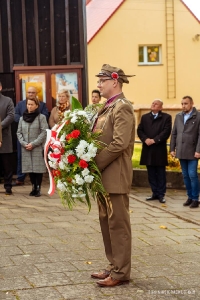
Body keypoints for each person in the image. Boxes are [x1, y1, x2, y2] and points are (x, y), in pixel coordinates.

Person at [91, 64, 135, 287]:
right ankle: (113, 265)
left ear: (114, 82)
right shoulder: (107, 107)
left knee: (118, 224)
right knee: (106, 222)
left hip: (115, 176)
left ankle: (121, 273)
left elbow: (119, 143)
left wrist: (95, 163)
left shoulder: (122, 107)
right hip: (103, 176)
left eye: (102, 80)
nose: (98, 84)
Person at [137, 99, 172, 203]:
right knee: (151, 172)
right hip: (148, 149)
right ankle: (154, 193)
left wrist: (155, 140)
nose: (153, 104)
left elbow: (166, 131)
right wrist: (145, 139)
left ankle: (161, 194)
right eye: (152, 103)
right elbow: (140, 130)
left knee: (160, 172)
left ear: (160, 107)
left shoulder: (166, 117)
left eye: (156, 104)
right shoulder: (145, 117)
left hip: (159, 149)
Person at [14, 86, 49, 186]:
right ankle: (21, 179)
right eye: (29, 92)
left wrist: (33, 143)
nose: (30, 94)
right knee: (25, 162)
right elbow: (16, 119)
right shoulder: (20, 105)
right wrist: (24, 143)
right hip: (24, 142)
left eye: (32, 92)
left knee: (37, 165)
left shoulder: (42, 108)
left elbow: (44, 126)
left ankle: (37, 187)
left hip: (37, 142)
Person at [170, 96, 200, 208]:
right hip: (181, 151)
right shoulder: (178, 116)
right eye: (182, 103)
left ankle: (196, 199)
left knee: (192, 174)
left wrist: (198, 150)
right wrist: (172, 149)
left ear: (192, 103)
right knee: (185, 175)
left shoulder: (198, 116)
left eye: (186, 103)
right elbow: (174, 133)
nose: (183, 106)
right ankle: (190, 197)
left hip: (193, 151)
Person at [0, 81, 15, 195]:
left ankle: (8, 186)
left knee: (7, 164)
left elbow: (11, 116)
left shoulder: (7, 100)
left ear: (0, 87)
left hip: (4, 137)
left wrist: (0, 126)